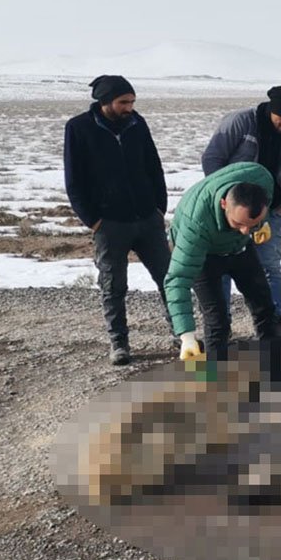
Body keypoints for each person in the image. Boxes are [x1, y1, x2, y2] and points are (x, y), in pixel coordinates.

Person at [63, 75, 173, 365]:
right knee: (113, 286)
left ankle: (181, 334)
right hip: (109, 223)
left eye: (133, 101)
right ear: (105, 102)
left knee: (169, 279)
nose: (129, 107)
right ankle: (119, 344)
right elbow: (74, 180)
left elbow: (154, 165)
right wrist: (93, 220)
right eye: (124, 102)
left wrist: (159, 207)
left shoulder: (137, 124)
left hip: (148, 218)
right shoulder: (78, 128)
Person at [201, 86, 281, 331]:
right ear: (271, 110)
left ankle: (273, 320)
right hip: (231, 213)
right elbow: (212, 158)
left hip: (269, 213)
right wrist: (226, 200)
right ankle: (221, 323)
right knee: (223, 265)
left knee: (269, 265)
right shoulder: (241, 122)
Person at [163, 162, 281, 361]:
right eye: (239, 223)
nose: (245, 230)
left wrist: (261, 223)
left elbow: (264, 207)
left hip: (239, 249)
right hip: (206, 255)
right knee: (217, 321)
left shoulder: (262, 179)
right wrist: (187, 336)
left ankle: (273, 368)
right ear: (224, 204)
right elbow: (177, 279)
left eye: (250, 225)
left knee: (265, 308)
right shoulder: (196, 225)